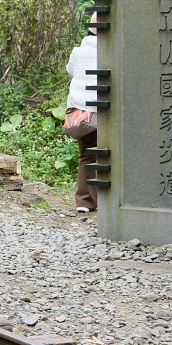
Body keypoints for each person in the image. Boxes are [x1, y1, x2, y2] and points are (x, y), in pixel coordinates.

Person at [66, 13, 99, 213]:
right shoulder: (113, 50)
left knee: (87, 156)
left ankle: (85, 202)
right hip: (106, 112)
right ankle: (109, 200)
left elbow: (70, 70)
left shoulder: (78, 51)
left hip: (83, 114)